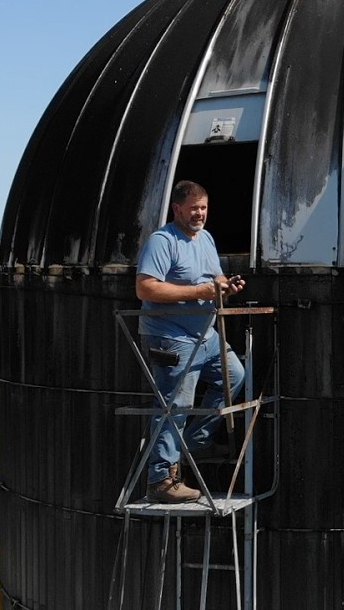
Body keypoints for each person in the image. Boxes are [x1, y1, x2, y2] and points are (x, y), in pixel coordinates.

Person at [135, 180, 247, 503]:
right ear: (177, 209)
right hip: (172, 337)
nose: (200, 214)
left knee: (235, 377)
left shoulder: (206, 238)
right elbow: (146, 289)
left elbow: (215, 277)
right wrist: (198, 293)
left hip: (206, 335)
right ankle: (161, 479)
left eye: (204, 208)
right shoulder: (162, 241)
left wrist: (226, 285)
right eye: (193, 208)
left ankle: (193, 443)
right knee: (175, 404)